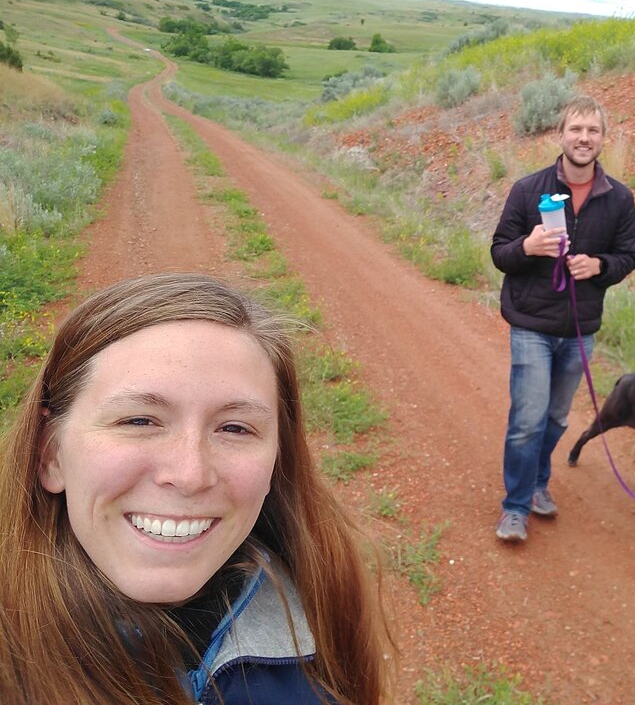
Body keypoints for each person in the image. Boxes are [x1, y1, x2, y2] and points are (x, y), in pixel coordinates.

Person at [0, 273, 394, 704]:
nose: (190, 474)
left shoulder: (321, 606)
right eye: (139, 421)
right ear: (50, 454)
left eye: (234, 428)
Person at [490, 95, 635, 542]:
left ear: (603, 139)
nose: (584, 138)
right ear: (560, 135)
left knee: (555, 418)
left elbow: (628, 255)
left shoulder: (619, 199)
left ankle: (538, 483)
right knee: (527, 420)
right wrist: (527, 248)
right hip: (531, 324)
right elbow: (500, 253)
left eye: (593, 131)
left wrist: (600, 267)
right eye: (576, 129)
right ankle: (515, 507)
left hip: (580, 330)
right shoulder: (527, 190)